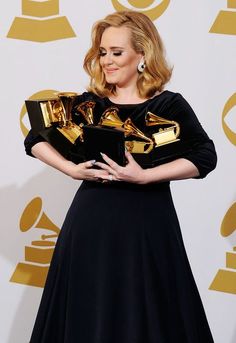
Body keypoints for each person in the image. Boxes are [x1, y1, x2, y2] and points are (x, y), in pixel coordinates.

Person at [25, 10, 217, 343]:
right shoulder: (88, 106)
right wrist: (71, 169)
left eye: (117, 52)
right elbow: (35, 138)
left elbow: (204, 156)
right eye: (102, 53)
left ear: (142, 55)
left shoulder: (169, 107)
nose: (107, 61)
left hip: (147, 226)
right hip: (90, 225)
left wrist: (145, 176)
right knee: (89, 310)